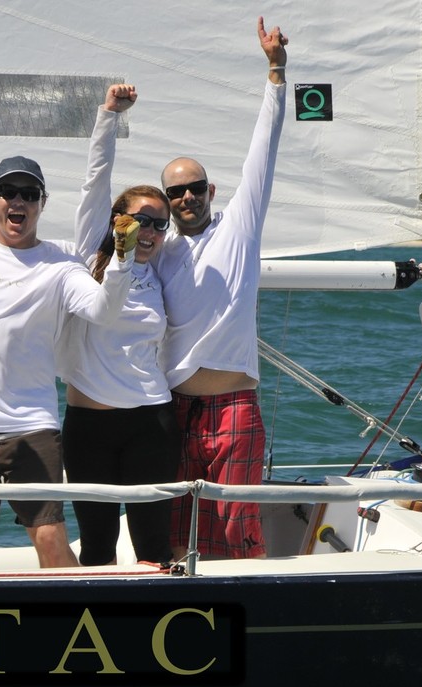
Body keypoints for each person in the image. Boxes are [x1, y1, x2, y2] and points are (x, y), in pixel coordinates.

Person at [0, 155, 137, 571]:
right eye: (8, 192)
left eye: (28, 194)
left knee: (50, 539)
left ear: (42, 202)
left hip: (32, 424)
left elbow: (103, 311)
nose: (17, 201)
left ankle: (79, 623)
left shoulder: (61, 263)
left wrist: (122, 260)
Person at [151, 17, 288, 560]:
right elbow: (96, 247)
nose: (186, 197)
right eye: (175, 191)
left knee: (236, 528)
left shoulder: (239, 227)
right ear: (165, 200)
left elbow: (264, 151)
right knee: (178, 531)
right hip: (174, 410)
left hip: (234, 408)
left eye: (194, 188)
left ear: (211, 190)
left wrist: (276, 72)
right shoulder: (156, 250)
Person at [58, 83, 179, 566]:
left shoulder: (161, 268)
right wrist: (108, 115)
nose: (148, 232)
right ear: (116, 221)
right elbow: (95, 181)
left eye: (158, 224)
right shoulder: (94, 253)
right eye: (140, 221)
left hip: (152, 420)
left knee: (152, 544)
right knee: (97, 545)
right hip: (89, 424)